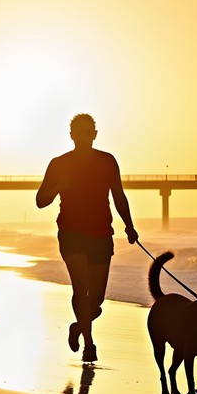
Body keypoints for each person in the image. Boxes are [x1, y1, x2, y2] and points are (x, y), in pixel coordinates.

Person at [36, 113, 138, 364]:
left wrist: (130, 226)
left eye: (88, 131)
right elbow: (40, 201)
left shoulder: (107, 161)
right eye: (79, 132)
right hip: (71, 233)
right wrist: (58, 185)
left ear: (94, 134)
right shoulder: (58, 163)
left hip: (101, 232)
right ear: (72, 135)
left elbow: (119, 196)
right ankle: (89, 345)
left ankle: (79, 326)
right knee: (81, 289)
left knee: (98, 299)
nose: (84, 136)